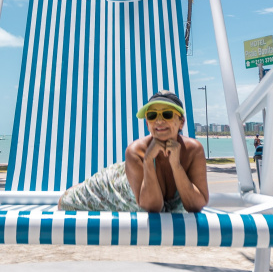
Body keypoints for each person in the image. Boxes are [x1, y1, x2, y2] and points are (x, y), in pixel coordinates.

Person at [58, 90, 209, 213]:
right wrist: (149, 161)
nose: (159, 121)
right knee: (66, 203)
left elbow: (196, 205)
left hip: (140, 183)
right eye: (152, 115)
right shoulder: (136, 151)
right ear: (147, 123)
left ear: (181, 122)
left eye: (167, 114)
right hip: (115, 185)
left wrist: (176, 165)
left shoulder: (193, 151)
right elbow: (152, 208)